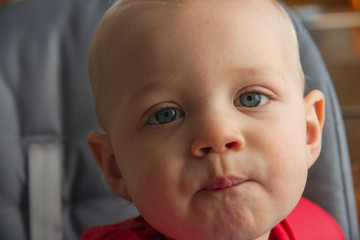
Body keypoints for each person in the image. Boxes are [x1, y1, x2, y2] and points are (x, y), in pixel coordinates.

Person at [82, 0, 345, 239]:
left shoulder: (321, 230)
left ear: (308, 130)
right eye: (166, 115)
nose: (217, 135)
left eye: (251, 98)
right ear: (115, 166)